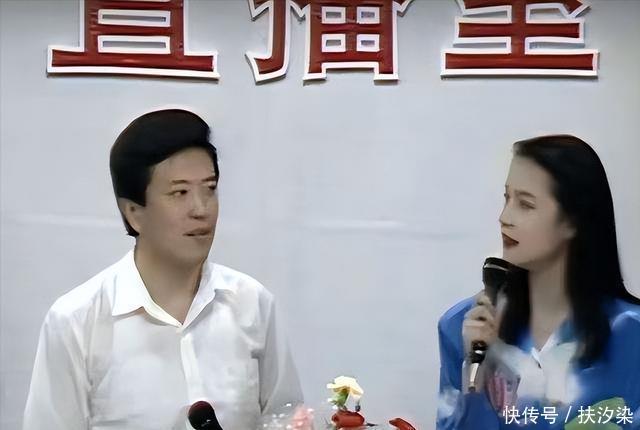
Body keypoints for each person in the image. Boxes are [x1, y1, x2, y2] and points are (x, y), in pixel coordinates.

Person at [23, 109, 303, 429]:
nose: (201, 209)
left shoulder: (252, 304)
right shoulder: (76, 322)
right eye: (180, 193)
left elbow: (288, 418)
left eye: (209, 188)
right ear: (134, 213)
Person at [436, 135, 640, 429]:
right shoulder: (462, 326)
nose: (504, 217)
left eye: (525, 204)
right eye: (506, 199)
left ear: (573, 221)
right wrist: (476, 378)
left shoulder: (630, 333)